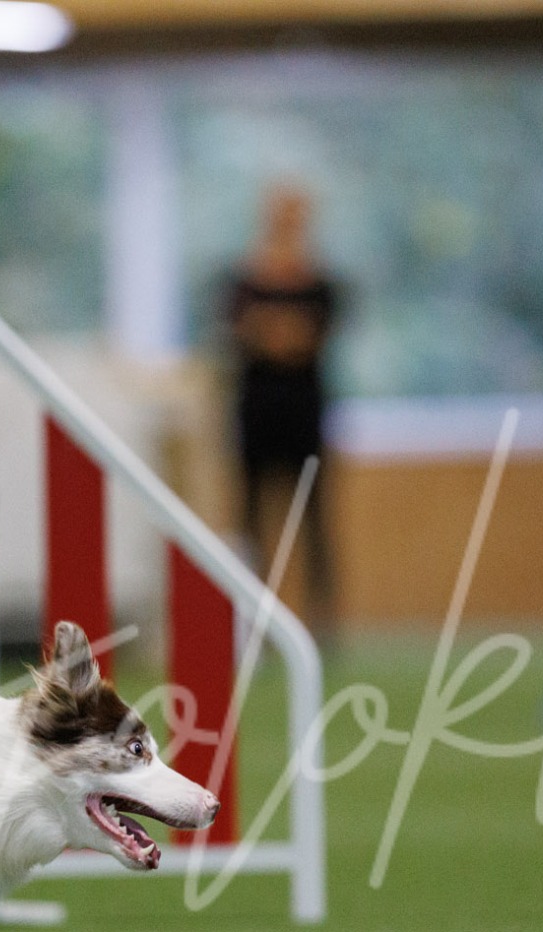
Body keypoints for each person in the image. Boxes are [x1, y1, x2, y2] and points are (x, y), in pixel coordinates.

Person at [225, 185, 341, 640]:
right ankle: (251, 621)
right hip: (256, 414)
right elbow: (246, 334)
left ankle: (322, 622)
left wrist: (274, 332)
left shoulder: (322, 284)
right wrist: (281, 334)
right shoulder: (243, 281)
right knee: (252, 520)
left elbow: (309, 336)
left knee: (315, 521)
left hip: (305, 414)